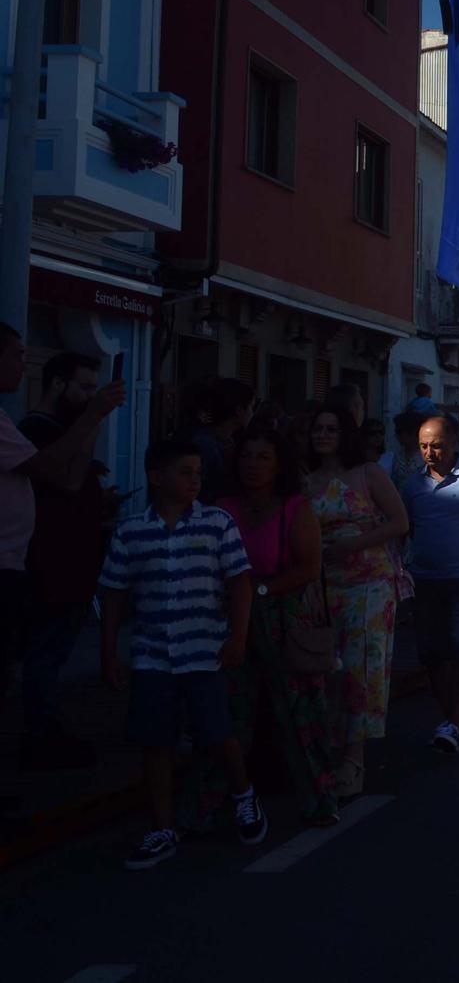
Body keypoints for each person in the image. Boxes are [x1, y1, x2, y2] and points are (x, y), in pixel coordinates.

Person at [100, 439, 266, 869]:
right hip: (152, 654)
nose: (195, 480)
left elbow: (239, 583)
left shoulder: (217, 524)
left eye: (198, 472)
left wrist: (238, 638)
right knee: (155, 741)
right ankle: (161, 826)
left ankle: (243, 793)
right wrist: (109, 651)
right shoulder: (131, 531)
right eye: (184, 472)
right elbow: (114, 594)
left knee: (217, 732)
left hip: (204, 650)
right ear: (156, 477)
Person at [213, 428, 340, 827]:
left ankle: (320, 800)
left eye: (262, 457)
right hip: (229, 619)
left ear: (278, 464)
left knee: (300, 713)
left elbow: (308, 566)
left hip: (283, 616)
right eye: (246, 456)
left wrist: (260, 589)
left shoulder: (294, 508)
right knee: (229, 713)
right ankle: (217, 803)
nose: (253, 465)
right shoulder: (221, 509)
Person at [15, 348, 126, 768]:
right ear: (58, 384)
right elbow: (67, 479)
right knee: (44, 652)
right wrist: (93, 418)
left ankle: (46, 727)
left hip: (72, 563)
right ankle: (40, 732)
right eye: (82, 387)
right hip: (49, 564)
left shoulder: (64, 428)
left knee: (53, 651)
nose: (89, 396)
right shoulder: (38, 429)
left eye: (93, 389)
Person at [303, 403, 409, 798]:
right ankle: (327, 747)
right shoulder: (305, 482)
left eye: (331, 427)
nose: (323, 434)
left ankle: (354, 757)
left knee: (361, 671)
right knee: (327, 669)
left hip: (369, 586)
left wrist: (354, 544)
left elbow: (400, 522)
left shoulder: (368, 474)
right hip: (322, 586)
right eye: (318, 427)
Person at [399, 415, 459, 753]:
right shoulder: (412, 486)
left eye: (436, 445)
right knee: (431, 652)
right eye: (423, 446)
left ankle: (454, 721)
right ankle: (448, 716)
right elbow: (405, 527)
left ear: (453, 442)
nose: (429, 452)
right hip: (424, 578)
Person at [189, 377, 252, 503]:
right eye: (251, 407)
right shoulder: (205, 445)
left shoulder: (228, 441)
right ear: (239, 411)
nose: (252, 413)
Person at [378, 412, 426, 488]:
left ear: (412, 432)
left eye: (399, 432)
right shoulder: (395, 456)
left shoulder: (427, 457)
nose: (396, 435)